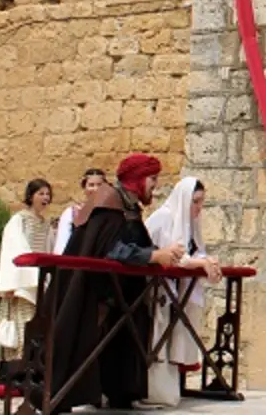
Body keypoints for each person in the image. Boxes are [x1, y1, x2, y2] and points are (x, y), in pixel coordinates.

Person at [30, 154, 185, 412]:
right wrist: (154, 256)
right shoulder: (110, 205)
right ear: (138, 179)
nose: (155, 185)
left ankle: (119, 391)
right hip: (94, 293)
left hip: (119, 294)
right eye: (152, 178)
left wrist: (161, 254)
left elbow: (135, 244)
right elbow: (113, 250)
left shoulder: (128, 207)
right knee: (75, 346)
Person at [142, 177, 222, 407]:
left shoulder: (188, 222)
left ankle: (168, 391)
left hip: (175, 290)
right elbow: (173, 255)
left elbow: (193, 252)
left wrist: (208, 261)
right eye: (195, 202)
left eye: (201, 202)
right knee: (156, 340)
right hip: (156, 290)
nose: (199, 208)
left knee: (170, 341)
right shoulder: (164, 217)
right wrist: (201, 263)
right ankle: (153, 393)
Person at [0, 179, 53, 366]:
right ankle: (14, 364)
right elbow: (12, 250)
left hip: (39, 279)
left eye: (47, 194)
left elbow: (48, 249)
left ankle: (32, 363)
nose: (45, 197)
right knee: (20, 323)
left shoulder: (46, 223)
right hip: (23, 281)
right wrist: (11, 283)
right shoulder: (19, 220)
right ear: (31, 196)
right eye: (41, 193)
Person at [55, 168, 106, 254]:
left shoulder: (110, 214)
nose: (96, 189)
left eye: (99, 185)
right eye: (91, 185)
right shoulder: (71, 213)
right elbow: (61, 245)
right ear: (84, 187)